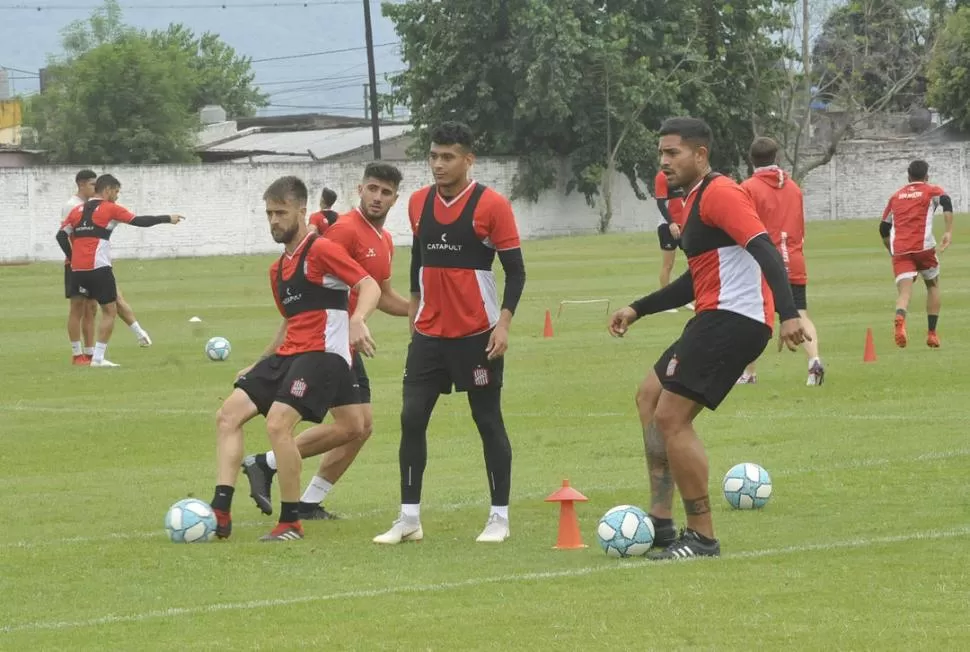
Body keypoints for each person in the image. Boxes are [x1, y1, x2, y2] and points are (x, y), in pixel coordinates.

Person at [607, 117, 807, 560]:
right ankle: (661, 522)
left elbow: (764, 248)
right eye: (661, 153)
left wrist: (790, 313)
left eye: (673, 153)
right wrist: (637, 308)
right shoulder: (692, 200)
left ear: (700, 155)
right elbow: (693, 281)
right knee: (649, 396)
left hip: (734, 319)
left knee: (672, 417)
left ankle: (702, 536)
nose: (664, 162)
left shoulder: (721, 193)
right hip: (713, 316)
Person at [373, 121, 527, 545]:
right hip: (429, 335)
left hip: (477, 334)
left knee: (487, 420)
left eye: (447, 157)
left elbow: (516, 273)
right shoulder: (418, 203)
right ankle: (408, 519)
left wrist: (505, 324)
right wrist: (414, 308)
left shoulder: (491, 206)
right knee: (410, 417)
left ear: (468, 160)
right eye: (433, 156)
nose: (438, 165)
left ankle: (499, 518)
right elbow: (418, 259)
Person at [210, 175, 381, 542]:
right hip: (291, 354)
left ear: (302, 211)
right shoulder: (278, 270)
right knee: (228, 415)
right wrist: (259, 364)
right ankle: (220, 510)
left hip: (324, 355)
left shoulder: (321, 250)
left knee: (277, 424)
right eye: (269, 213)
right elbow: (290, 325)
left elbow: (369, 285)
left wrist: (357, 319)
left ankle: (290, 522)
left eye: (281, 212)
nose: (274, 220)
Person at [241, 162, 410, 521]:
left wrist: (422, 312)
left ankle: (286, 482)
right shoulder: (343, 231)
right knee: (352, 426)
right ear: (358, 190)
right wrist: (270, 355)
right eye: (372, 189)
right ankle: (276, 474)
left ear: (396, 198)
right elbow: (305, 290)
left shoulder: (385, 240)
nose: (377, 198)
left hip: (348, 342)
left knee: (358, 428)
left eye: (386, 192)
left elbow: (382, 293)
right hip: (328, 344)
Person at [56, 175, 183, 367]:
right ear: (107, 190)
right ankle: (98, 358)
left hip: (77, 270)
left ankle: (80, 355)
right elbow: (139, 221)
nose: (117, 196)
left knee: (78, 310)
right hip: (99, 267)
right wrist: (167, 218)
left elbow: (60, 235)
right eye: (116, 192)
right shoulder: (110, 208)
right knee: (109, 310)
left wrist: (72, 258)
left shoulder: (76, 210)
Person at [738, 137, 824, 386]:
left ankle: (749, 372)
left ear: (751, 159)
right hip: (794, 257)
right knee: (800, 313)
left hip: (764, 261)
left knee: (753, 317)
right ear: (777, 157)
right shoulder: (795, 188)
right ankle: (814, 361)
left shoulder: (748, 188)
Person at [880, 160, 953, 348]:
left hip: (901, 250)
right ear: (926, 176)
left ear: (908, 177)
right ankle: (931, 334)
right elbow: (946, 202)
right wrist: (948, 231)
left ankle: (900, 316)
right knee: (933, 285)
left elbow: (883, 228)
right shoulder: (930, 190)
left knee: (904, 293)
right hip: (924, 248)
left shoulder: (896, 196)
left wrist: (892, 251)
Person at [654, 170, 694, 313]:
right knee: (668, 265)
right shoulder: (662, 176)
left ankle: (685, 298)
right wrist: (671, 223)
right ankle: (665, 301)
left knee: (694, 262)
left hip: (685, 225)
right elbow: (660, 203)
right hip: (667, 226)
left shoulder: (684, 173)